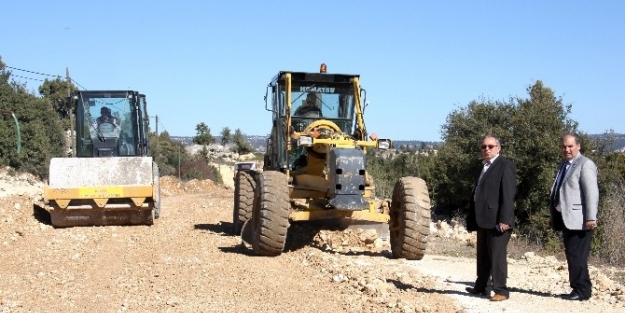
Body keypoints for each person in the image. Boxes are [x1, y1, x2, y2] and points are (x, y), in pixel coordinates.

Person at [466, 135, 516, 301]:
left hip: (498, 220)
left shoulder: (505, 166)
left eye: (490, 146)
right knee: (483, 255)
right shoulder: (484, 166)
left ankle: (501, 290)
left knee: (497, 256)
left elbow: (508, 196)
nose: (486, 149)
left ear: (498, 148)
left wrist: (505, 220)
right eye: (484, 147)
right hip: (483, 218)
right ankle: (481, 287)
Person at [549, 133, 599, 301]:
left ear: (579, 146)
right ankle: (578, 288)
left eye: (570, 146)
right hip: (566, 218)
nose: (567, 149)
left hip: (580, 220)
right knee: (572, 254)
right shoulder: (564, 164)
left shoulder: (585, 164)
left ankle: (582, 290)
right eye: (564, 146)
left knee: (577, 256)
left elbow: (591, 193)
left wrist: (591, 217)